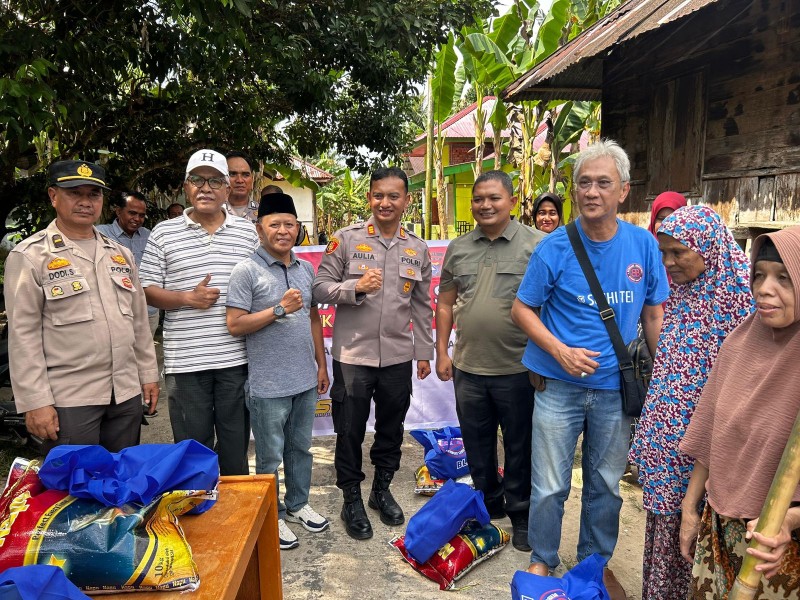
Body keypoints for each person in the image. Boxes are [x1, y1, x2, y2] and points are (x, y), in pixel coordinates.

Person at [511, 139, 669, 600]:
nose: (592, 191)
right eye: (584, 183)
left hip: (614, 389)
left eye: (603, 183)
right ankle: (543, 556)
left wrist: (658, 380)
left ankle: (593, 561)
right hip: (558, 385)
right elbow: (522, 310)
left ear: (624, 190)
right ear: (574, 190)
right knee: (550, 484)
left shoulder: (643, 245)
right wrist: (560, 351)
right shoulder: (555, 247)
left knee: (605, 484)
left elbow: (655, 314)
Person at [628, 205, 754, 600]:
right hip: (670, 451)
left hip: (706, 456)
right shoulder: (683, 295)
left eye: (677, 252)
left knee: (694, 542)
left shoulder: (740, 306)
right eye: (663, 253)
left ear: (708, 248)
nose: (668, 262)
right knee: (665, 537)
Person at [312, 166, 433, 540]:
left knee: (391, 429)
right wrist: (355, 287)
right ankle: (351, 497)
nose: (385, 202)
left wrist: (424, 352)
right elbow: (318, 288)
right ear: (369, 198)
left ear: (406, 201)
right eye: (378, 195)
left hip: (397, 356)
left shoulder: (417, 247)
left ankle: (381, 490)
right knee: (348, 430)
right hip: (353, 357)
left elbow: (421, 306)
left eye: (393, 196)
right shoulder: (345, 240)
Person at [678, 227, 800, 599]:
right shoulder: (739, 342)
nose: (764, 289)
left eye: (784, 278)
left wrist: (786, 522)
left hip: (776, 546)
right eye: (759, 275)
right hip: (720, 525)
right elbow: (713, 435)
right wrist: (689, 508)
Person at [5, 160, 159, 453]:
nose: (86, 202)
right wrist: (36, 401)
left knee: (120, 486)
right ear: (53, 196)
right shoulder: (31, 256)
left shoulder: (120, 254)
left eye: (94, 195)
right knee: (74, 491)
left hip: (124, 395)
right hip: (70, 399)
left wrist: (148, 374)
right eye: (75, 193)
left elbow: (139, 322)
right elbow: (23, 337)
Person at [435, 170, 544, 551]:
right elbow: (446, 302)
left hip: (520, 369)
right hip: (468, 368)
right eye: (478, 199)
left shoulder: (538, 245)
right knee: (477, 445)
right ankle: (488, 506)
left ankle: (521, 513)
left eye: (494, 198)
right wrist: (441, 351)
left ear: (512, 201)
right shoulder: (459, 247)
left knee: (520, 446)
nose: (485, 205)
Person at [140, 149, 259, 475]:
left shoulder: (246, 232)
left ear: (226, 189)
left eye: (214, 181)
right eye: (197, 180)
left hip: (237, 360)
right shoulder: (164, 233)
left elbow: (260, 286)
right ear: (186, 186)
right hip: (186, 363)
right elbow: (146, 289)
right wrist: (186, 298)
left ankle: (235, 521)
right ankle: (198, 515)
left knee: (235, 451)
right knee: (194, 451)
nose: (206, 188)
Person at [227, 192, 330, 550]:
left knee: (301, 448)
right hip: (268, 383)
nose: (283, 231)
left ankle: (298, 504)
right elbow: (235, 324)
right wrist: (279, 310)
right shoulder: (246, 271)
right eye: (275, 224)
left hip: (303, 378)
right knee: (270, 455)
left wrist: (321, 362)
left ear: (297, 228)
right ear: (260, 229)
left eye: (289, 224)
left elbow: (314, 316)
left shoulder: (305, 269)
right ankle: (272, 513)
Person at [97, 191, 160, 335]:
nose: (137, 219)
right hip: (114, 312)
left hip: (147, 311)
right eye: (132, 213)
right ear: (118, 212)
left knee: (144, 354)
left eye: (142, 215)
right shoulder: (100, 235)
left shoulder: (149, 236)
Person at [225, 151, 258, 222]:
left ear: (252, 179)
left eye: (245, 175)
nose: (240, 180)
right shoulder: (213, 212)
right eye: (232, 174)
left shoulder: (263, 213)